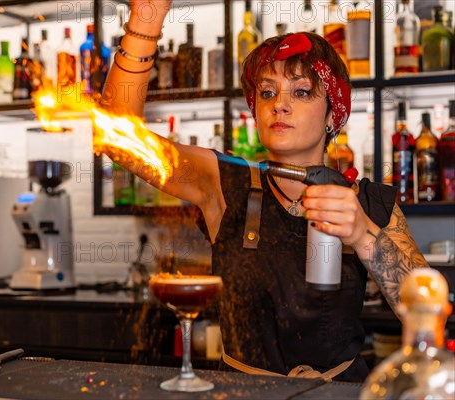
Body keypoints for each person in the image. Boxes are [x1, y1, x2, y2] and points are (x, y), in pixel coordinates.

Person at [99, 0, 428, 382]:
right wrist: (146, 19)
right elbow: (117, 139)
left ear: (331, 115)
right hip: (242, 391)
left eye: (302, 92)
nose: (281, 105)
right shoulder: (223, 182)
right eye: (267, 93)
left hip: (338, 392)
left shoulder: (369, 202)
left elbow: (425, 307)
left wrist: (362, 234)